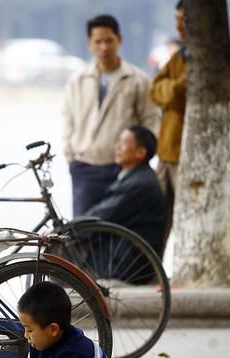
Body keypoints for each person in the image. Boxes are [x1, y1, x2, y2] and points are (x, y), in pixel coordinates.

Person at [63, 14, 159, 217]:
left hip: (124, 170)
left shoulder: (138, 80)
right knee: (83, 232)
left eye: (109, 40)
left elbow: (150, 122)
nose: (104, 47)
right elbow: (67, 120)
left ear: (119, 40)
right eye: (98, 42)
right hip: (84, 167)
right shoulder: (78, 80)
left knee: (119, 233)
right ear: (89, 43)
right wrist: (70, 156)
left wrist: (142, 160)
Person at [4, 281, 114, 358]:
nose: (25, 335)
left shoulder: (76, 355)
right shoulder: (38, 344)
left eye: (29, 330)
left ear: (53, 329)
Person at [86, 125, 165, 256]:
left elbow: (102, 215)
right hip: (121, 249)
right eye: (118, 142)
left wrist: (65, 232)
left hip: (123, 257)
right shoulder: (136, 176)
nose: (117, 147)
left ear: (140, 153)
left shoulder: (138, 184)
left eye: (123, 143)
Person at [149, 0, 188, 253]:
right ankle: (154, 271)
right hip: (166, 151)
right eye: (177, 20)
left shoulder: (200, 58)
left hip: (185, 152)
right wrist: (172, 87)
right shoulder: (179, 56)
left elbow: (177, 95)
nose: (179, 26)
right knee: (159, 217)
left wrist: (170, 89)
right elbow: (155, 90)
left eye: (183, 20)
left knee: (187, 218)